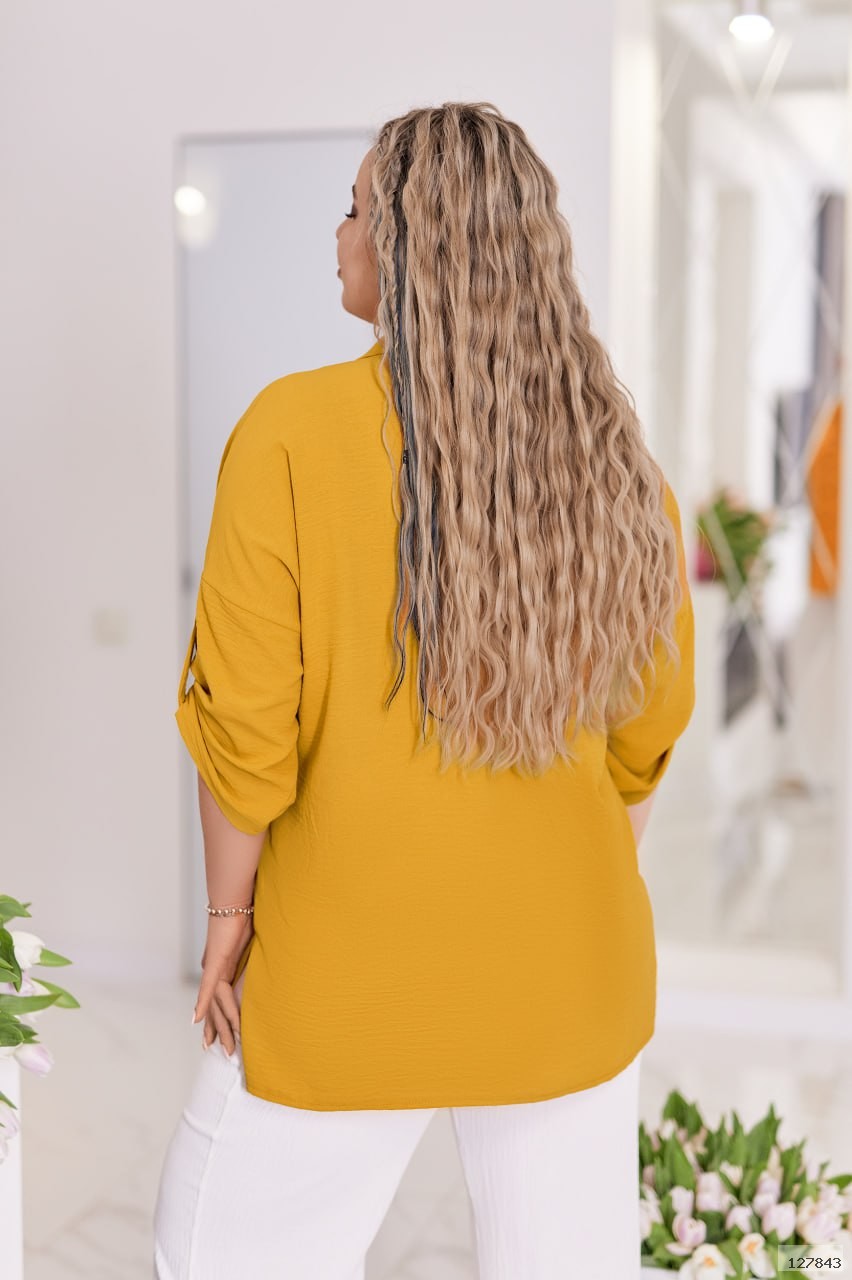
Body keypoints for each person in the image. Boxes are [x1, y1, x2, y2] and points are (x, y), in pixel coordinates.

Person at [153, 100, 695, 1280]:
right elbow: (645, 736)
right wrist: (559, 899)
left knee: (224, 1253)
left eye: (357, 207)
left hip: (348, 978)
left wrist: (229, 925)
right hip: (576, 974)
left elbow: (246, 738)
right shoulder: (619, 464)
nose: (339, 230)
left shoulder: (291, 433)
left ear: (409, 243)